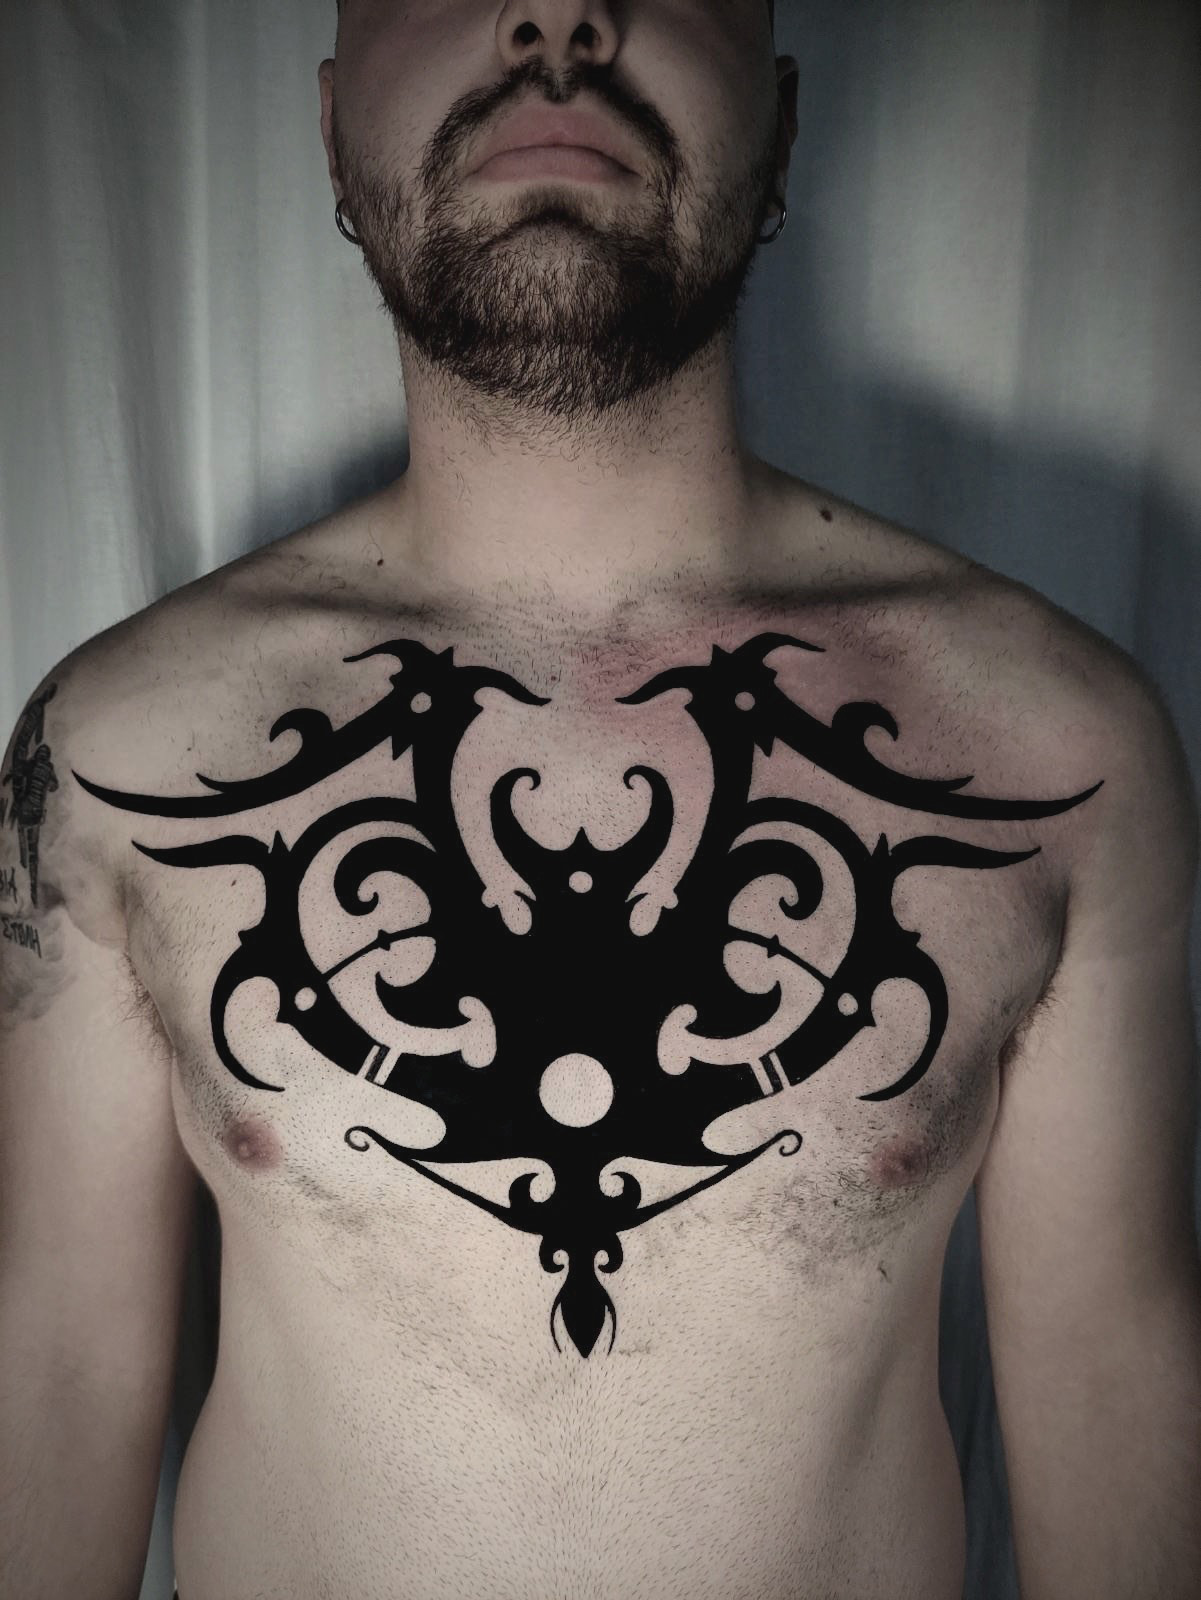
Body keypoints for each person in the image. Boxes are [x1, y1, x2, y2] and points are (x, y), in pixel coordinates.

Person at [2, 2, 1200, 1597]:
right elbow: (59, 1361)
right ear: (331, 126)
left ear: (777, 120)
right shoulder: (117, 749)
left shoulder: (1053, 747)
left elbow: (1111, 1378)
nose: (556, 14)